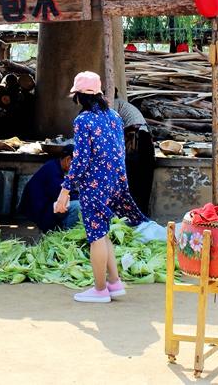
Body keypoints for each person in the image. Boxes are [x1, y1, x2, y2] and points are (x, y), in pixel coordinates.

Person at [54, 71, 148, 303]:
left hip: (93, 186)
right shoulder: (114, 116)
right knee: (103, 233)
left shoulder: (83, 120)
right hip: (113, 182)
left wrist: (64, 191)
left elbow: (81, 160)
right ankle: (114, 283)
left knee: (96, 236)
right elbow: (119, 153)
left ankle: (99, 289)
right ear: (97, 94)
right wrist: (121, 185)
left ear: (78, 97)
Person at [18, 147, 80, 233]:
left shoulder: (54, 165)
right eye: (77, 164)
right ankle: (65, 235)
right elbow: (61, 195)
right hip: (41, 212)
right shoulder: (52, 170)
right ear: (68, 160)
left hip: (44, 207)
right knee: (77, 206)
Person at [113, 89, 155, 215]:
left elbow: (112, 127)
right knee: (140, 179)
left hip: (137, 139)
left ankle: (135, 214)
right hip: (143, 138)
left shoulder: (113, 104)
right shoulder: (123, 105)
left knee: (134, 178)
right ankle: (139, 213)